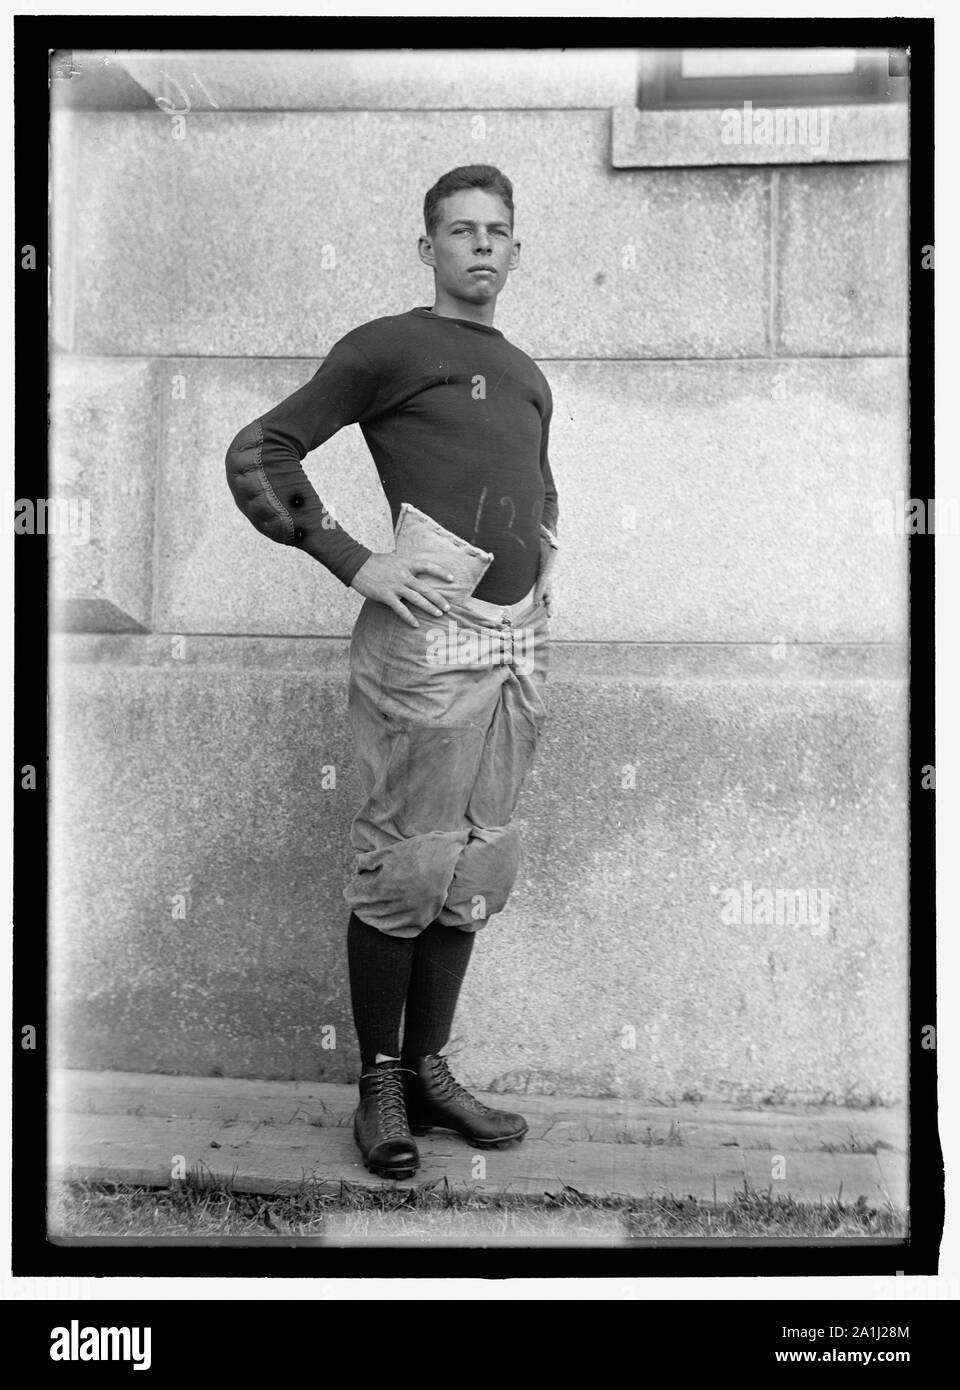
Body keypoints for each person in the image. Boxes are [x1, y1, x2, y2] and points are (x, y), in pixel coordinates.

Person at [225, 164, 559, 1180]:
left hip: (516, 642)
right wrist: (357, 561)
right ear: (428, 248)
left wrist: (541, 562)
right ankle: (377, 1082)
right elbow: (262, 448)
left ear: (516, 245)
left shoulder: (530, 371)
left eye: (498, 230)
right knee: (405, 865)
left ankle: (430, 1071)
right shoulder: (387, 345)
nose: (482, 246)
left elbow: (533, 489)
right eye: (460, 230)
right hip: (423, 648)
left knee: (474, 865)